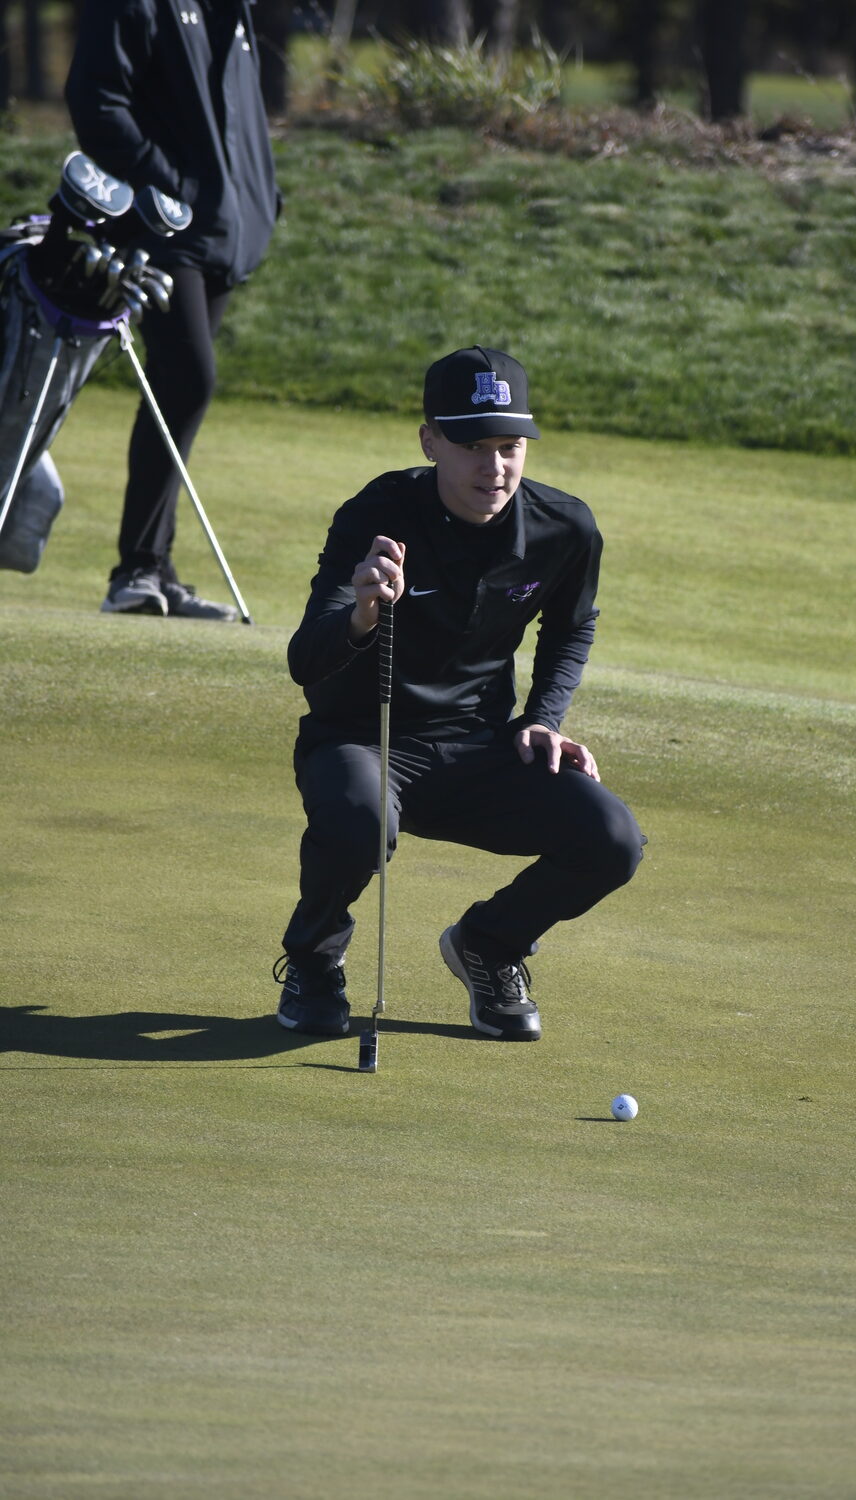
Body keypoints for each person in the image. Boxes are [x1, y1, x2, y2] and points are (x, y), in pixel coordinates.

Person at [275, 345, 645, 1041]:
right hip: (362, 740)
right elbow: (305, 659)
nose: (494, 466)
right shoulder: (378, 514)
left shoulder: (565, 528)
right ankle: (314, 960)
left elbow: (572, 627)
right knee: (359, 823)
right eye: (473, 445)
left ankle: (489, 943)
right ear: (430, 440)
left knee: (612, 839)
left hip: (479, 748)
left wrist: (542, 719)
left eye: (510, 446)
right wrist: (362, 614)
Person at [64, 0, 278, 620]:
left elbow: (241, 121)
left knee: (177, 389)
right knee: (188, 376)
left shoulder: (233, 10)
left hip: (219, 230)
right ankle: (135, 569)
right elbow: (96, 99)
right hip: (160, 226)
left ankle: (154, 568)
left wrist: (262, 199)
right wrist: (168, 187)